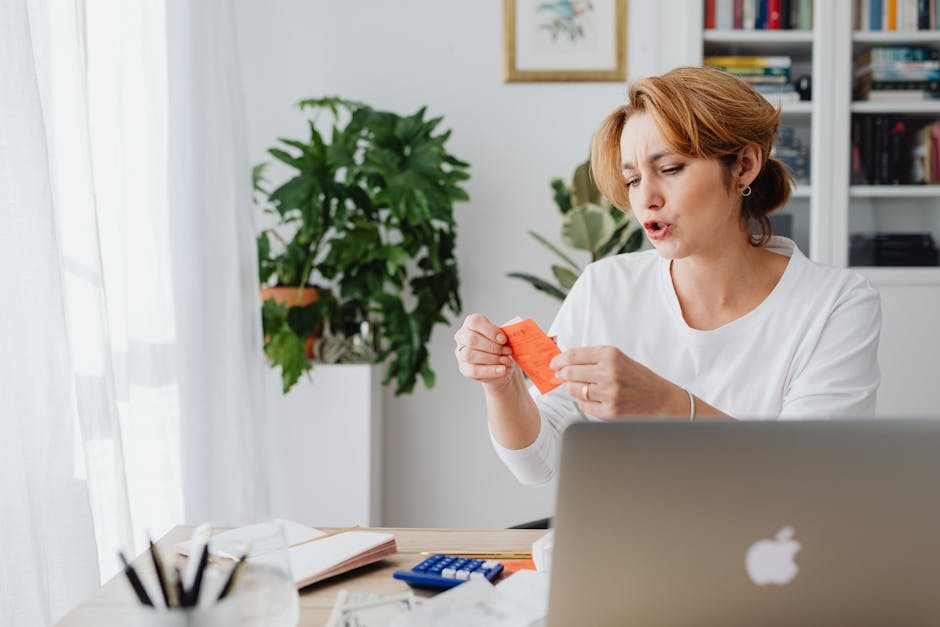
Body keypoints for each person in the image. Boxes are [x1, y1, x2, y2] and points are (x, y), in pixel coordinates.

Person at [453, 66, 882, 486]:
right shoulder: (605, 287)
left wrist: (668, 404)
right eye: (634, 179)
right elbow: (538, 465)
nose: (647, 200)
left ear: (744, 166)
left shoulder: (835, 302)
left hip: (768, 551)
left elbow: (815, 478)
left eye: (671, 169)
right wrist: (503, 384)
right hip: (625, 544)